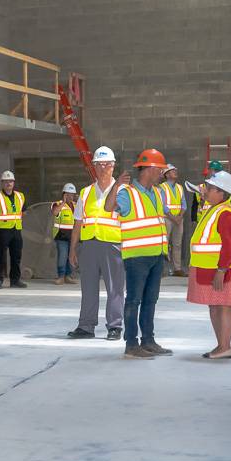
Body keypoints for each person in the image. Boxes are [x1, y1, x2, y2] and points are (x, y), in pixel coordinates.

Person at [104, 148, 172, 359]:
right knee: (133, 300)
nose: (162, 173)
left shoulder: (159, 192)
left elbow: (159, 222)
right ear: (149, 169)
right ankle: (131, 344)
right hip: (137, 257)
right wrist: (116, 185)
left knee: (151, 300)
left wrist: (165, 252)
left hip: (156, 255)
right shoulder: (128, 192)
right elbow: (108, 207)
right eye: (159, 169)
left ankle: (148, 341)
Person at [67, 146, 124, 340]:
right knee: (88, 288)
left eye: (107, 164)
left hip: (113, 245)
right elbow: (78, 222)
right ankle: (86, 326)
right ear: (93, 167)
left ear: (113, 166)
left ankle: (115, 326)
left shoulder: (123, 191)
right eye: (99, 164)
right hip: (89, 246)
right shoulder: (85, 192)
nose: (103, 168)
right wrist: (73, 249)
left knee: (115, 288)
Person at [187, 171, 231, 359]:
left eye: (210, 188)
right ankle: (221, 346)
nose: (206, 190)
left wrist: (221, 270)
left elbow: (230, 245)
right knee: (215, 305)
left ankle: (225, 346)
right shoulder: (214, 208)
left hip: (221, 269)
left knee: (224, 305)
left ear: (222, 192)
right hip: (209, 268)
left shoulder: (226, 213)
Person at [0, 170, 27, 289]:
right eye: (5, 181)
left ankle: (15, 280)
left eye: (10, 181)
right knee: (1, 256)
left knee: (16, 256)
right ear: (2, 183)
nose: (8, 183)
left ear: (14, 183)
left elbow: (24, 211)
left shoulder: (20, 196)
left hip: (16, 229)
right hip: (2, 230)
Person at [159, 164, 187, 277]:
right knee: (164, 244)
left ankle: (177, 268)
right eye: (172, 171)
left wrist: (179, 217)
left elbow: (183, 204)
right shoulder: (162, 187)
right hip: (167, 219)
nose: (175, 172)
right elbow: (163, 205)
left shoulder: (180, 187)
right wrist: (174, 218)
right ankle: (161, 270)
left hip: (178, 220)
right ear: (167, 174)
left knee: (177, 244)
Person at [51, 183, 78, 285]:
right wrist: (63, 202)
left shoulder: (76, 205)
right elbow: (54, 212)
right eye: (69, 194)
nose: (71, 196)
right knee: (62, 255)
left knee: (70, 256)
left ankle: (68, 276)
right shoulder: (57, 204)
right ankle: (61, 276)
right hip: (61, 236)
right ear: (64, 194)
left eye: (72, 194)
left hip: (72, 236)